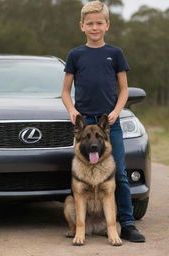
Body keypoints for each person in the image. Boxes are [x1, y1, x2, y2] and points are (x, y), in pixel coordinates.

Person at [61, 0, 145, 243]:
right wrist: (71, 110)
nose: (94, 27)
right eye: (90, 24)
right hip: (83, 124)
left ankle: (127, 224)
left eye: (99, 23)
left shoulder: (115, 53)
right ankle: (80, 226)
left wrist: (117, 111)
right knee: (81, 177)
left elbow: (125, 89)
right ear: (82, 26)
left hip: (109, 124)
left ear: (107, 25)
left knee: (118, 173)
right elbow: (66, 91)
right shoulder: (75, 55)